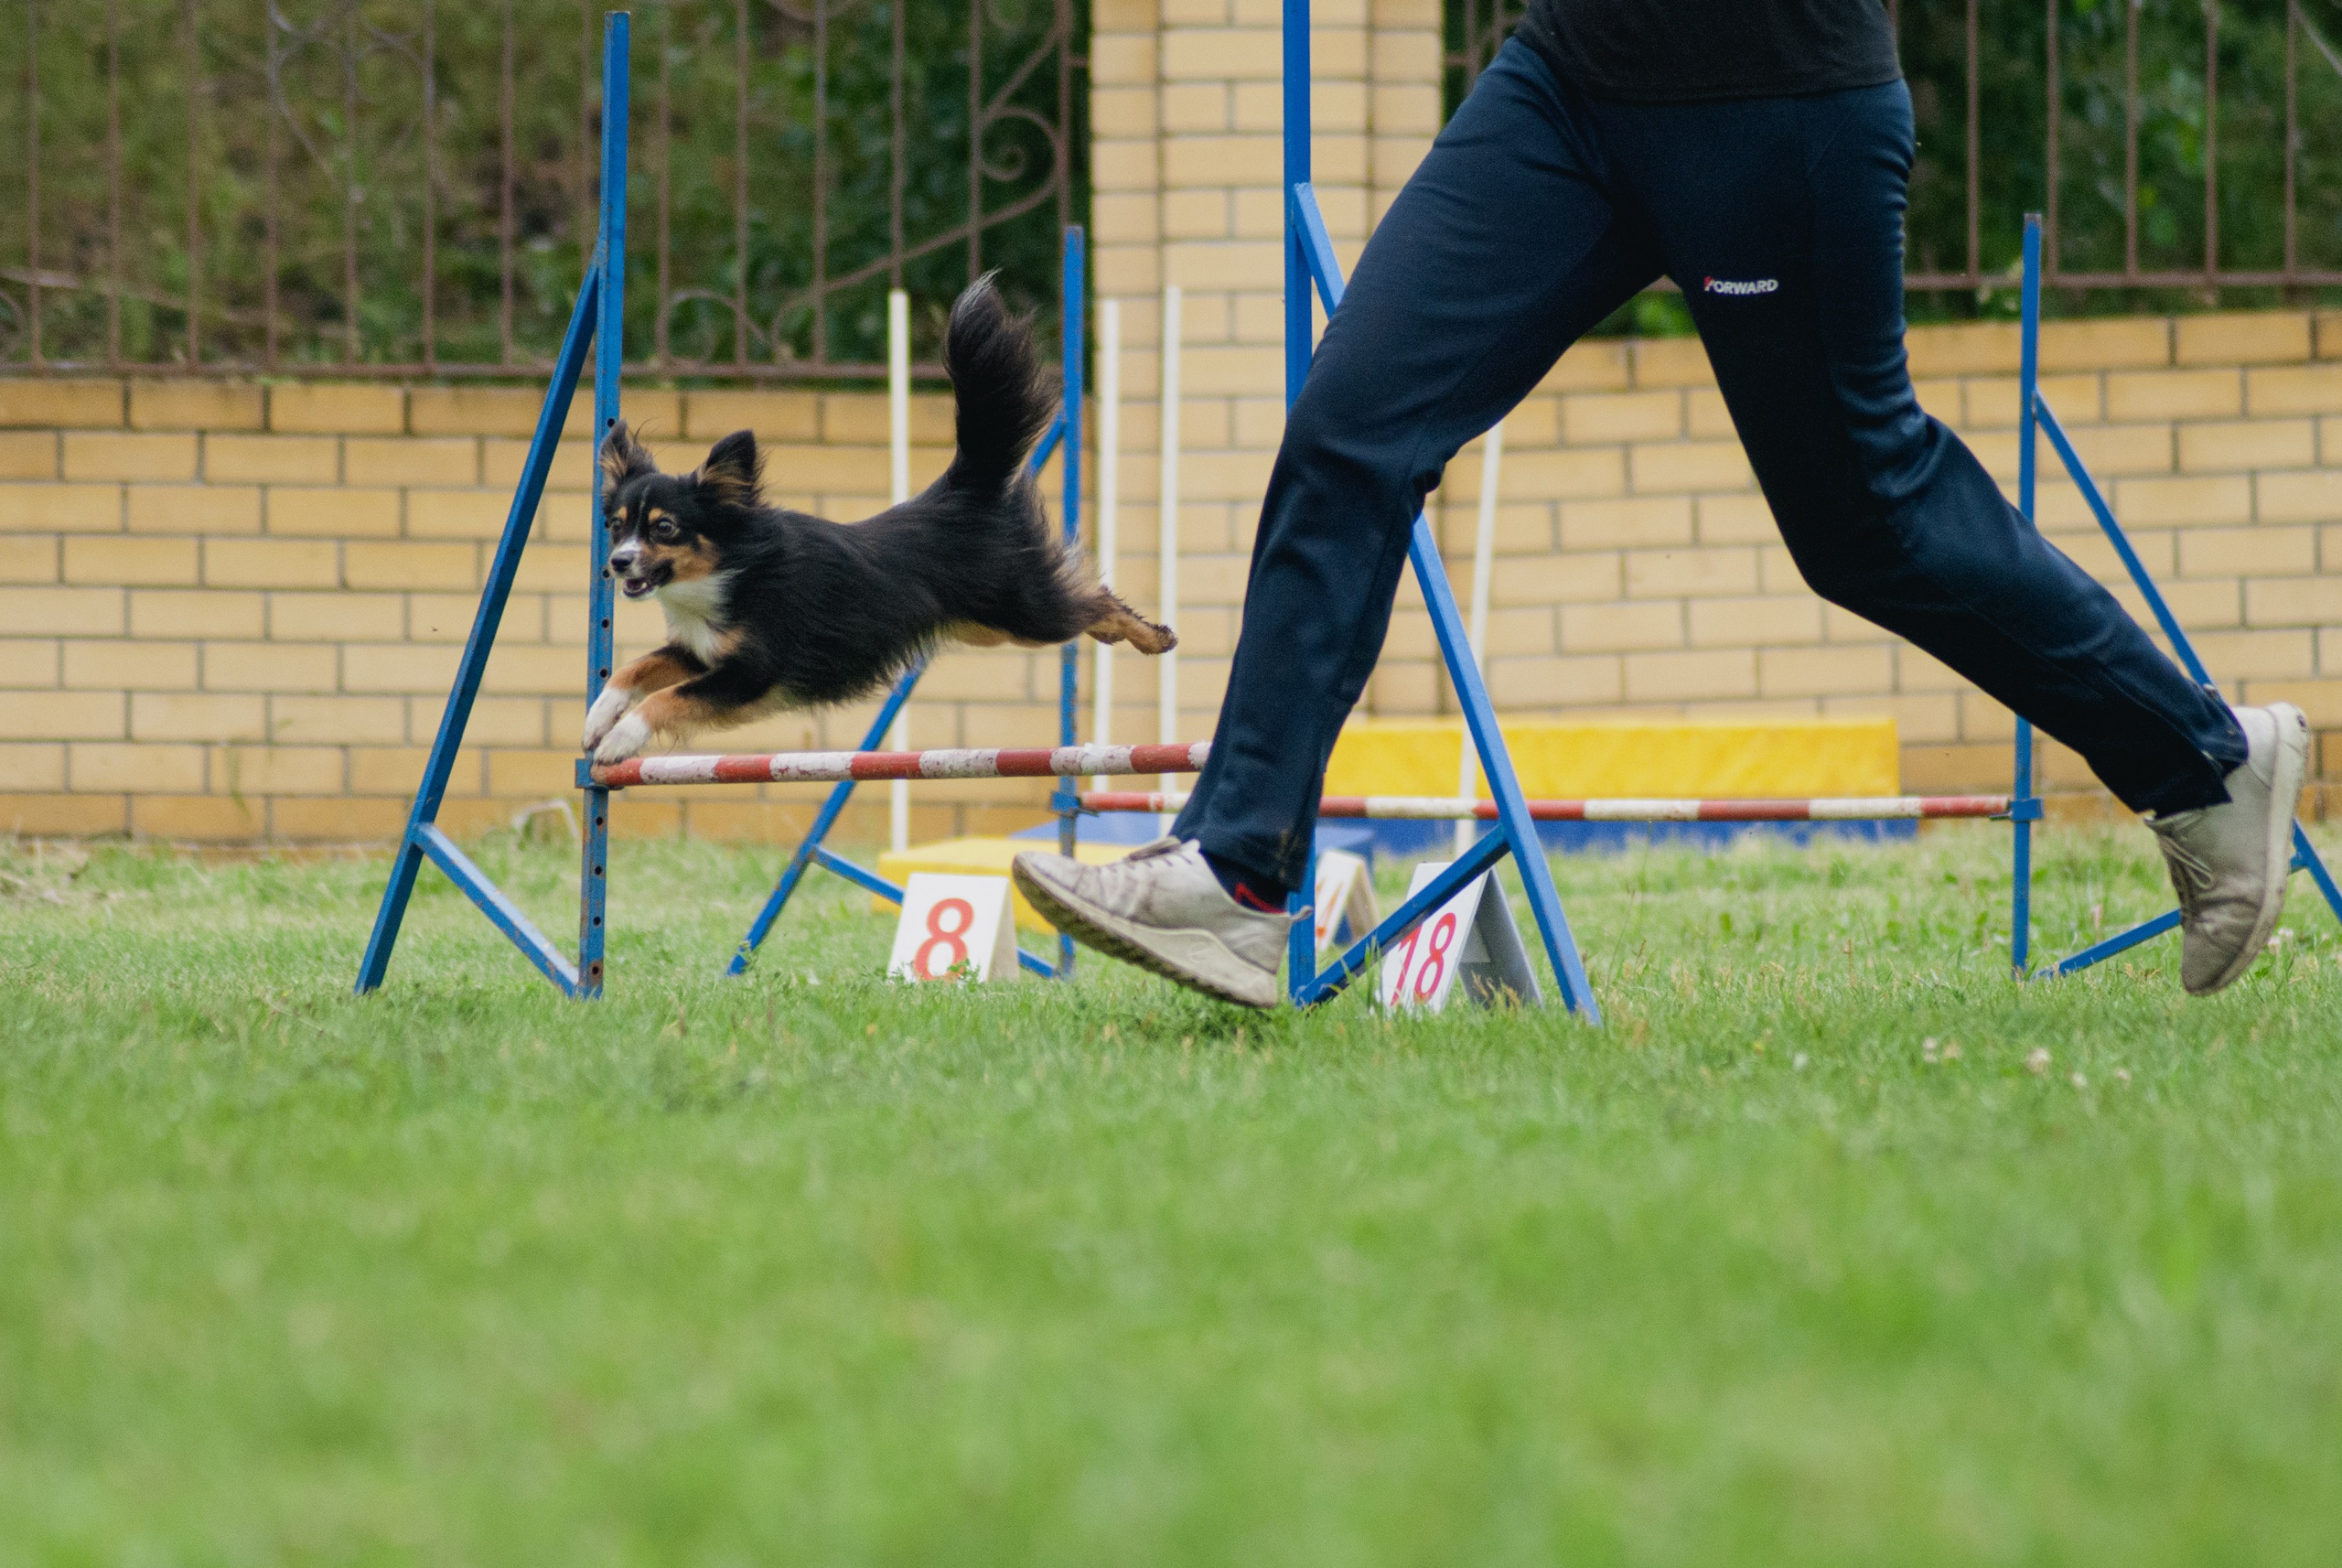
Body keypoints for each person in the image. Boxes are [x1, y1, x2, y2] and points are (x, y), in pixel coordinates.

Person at [1012, 0, 2310, 1007]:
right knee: (1354, 423)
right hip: (1572, 82)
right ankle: (1239, 869)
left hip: (1780, 96)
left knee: (1867, 516)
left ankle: (2203, 760)